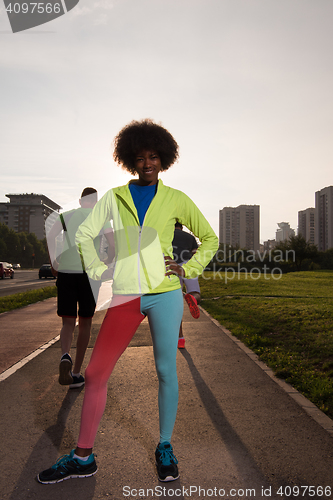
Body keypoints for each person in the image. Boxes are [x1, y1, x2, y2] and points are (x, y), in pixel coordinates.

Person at [38, 119, 218, 484]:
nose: (147, 162)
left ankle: (165, 446)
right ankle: (83, 457)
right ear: (130, 160)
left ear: (163, 159)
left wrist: (187, 269)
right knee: (94, 373)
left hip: (165, 295)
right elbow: (86, 235)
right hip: (125, 296)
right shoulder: (114, 197)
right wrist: (98, 269)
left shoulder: (176, 199)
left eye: (154, 156)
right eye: (140, 157)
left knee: (167, 371)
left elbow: (209, 239)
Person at [46, 188, 114, 389]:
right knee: (85, 323)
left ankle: (64, 355)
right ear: (96, 201)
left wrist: (53, 262)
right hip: (89, 274)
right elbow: (113, 244)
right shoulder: (101, 217)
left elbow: (50, 236)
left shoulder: (67, 215)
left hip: (66, 271)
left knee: (68, 322)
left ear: (80, 200)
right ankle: (75, 372)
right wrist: (106, 261)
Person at [172, 222, 202, 349]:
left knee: (175, 305)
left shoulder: (165, 234)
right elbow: (196, 253)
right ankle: (193, 299)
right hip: (188, 265)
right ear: (181, 226)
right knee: (195, 292)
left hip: (171, 266)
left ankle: (180, 339)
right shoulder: (189, 237)